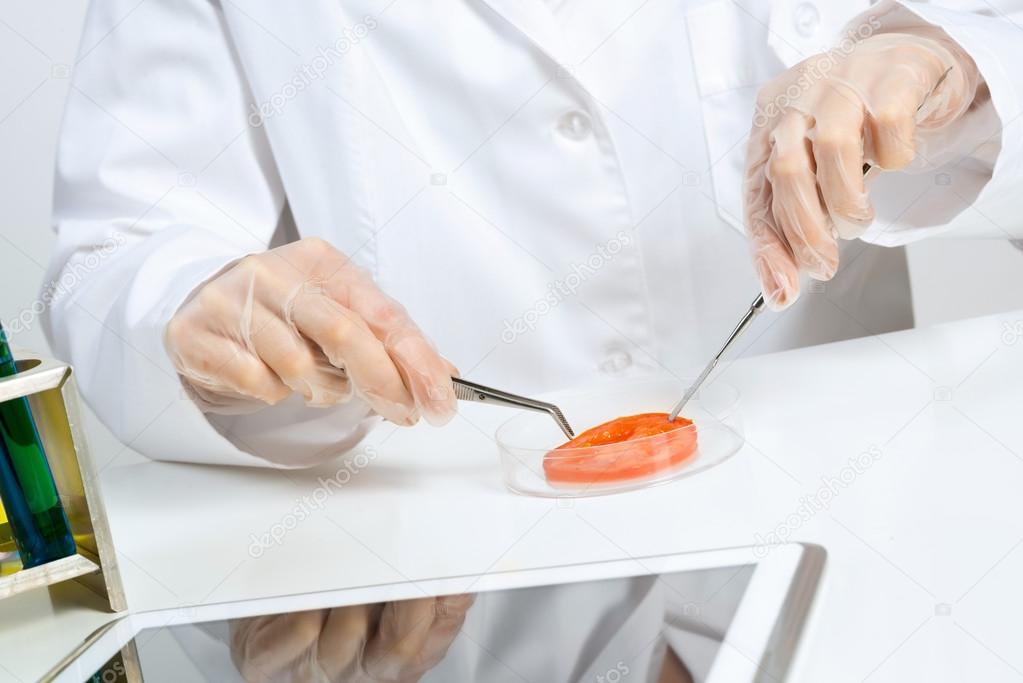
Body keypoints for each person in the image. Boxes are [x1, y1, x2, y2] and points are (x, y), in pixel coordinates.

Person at [43, 0, 1022, 680]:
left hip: (869, 553)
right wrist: (194, 300)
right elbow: (117, 251)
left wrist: (954, 62)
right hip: (474, 613)